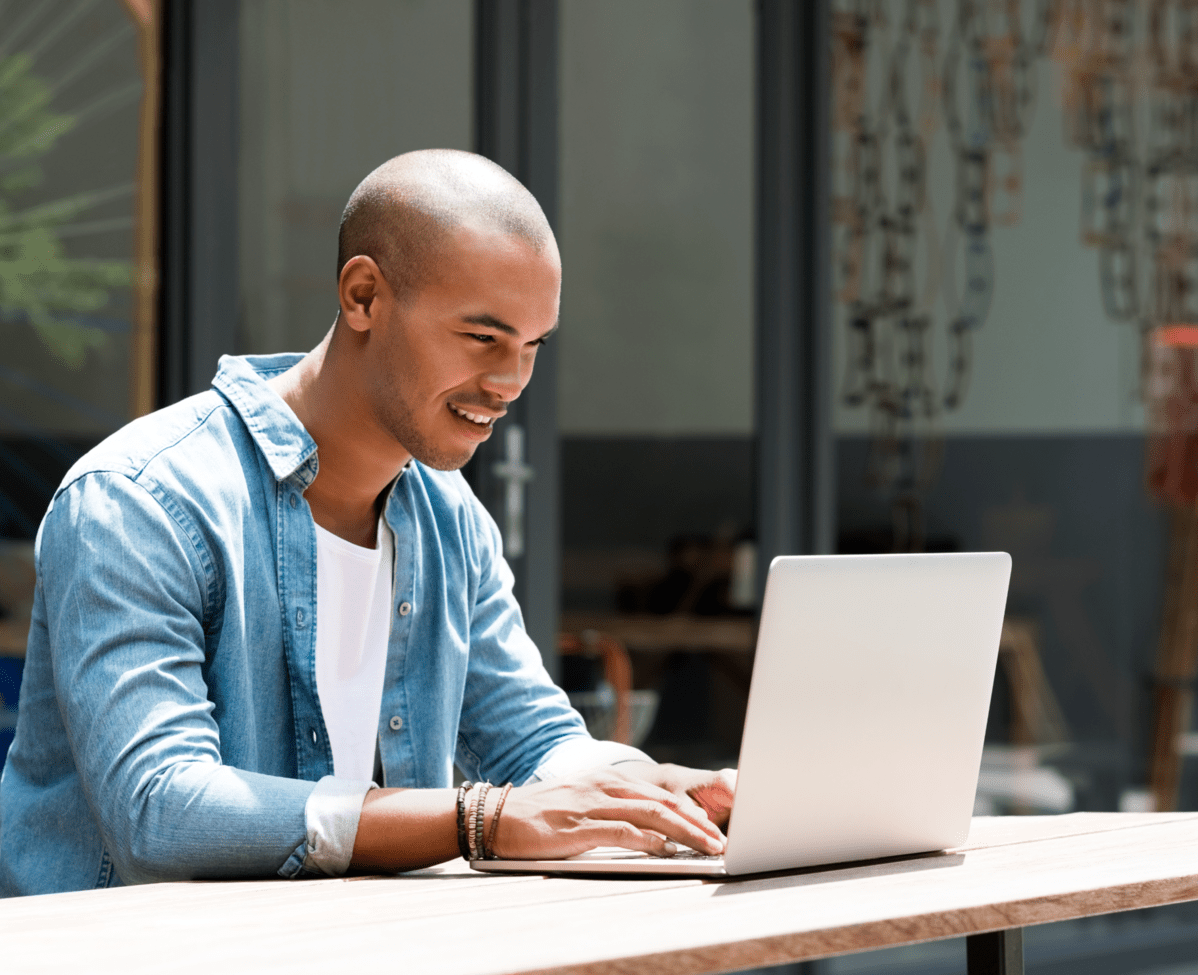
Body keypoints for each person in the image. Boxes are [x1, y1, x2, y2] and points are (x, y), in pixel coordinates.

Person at [0, 150, 734, 897]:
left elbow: (533, 741)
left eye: (532, 345)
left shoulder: (451, 523)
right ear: (363, 295)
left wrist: (655, 788)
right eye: (482, 338)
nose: (511, 382)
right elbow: (159, 808)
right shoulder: (140, 501)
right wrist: (478, 818)